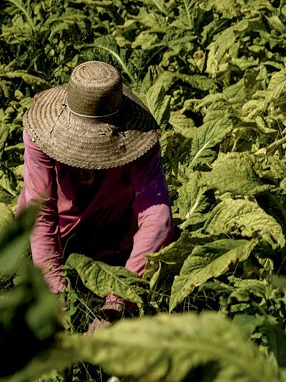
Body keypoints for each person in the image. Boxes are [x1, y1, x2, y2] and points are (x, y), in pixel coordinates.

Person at [16, 60, 173, 332]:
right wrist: (58, 299)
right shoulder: (39, 137)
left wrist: (118, 301)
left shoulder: (142, 142)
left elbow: (158, 218)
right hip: (54, 238)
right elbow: (40, 215)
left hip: (113, 239)